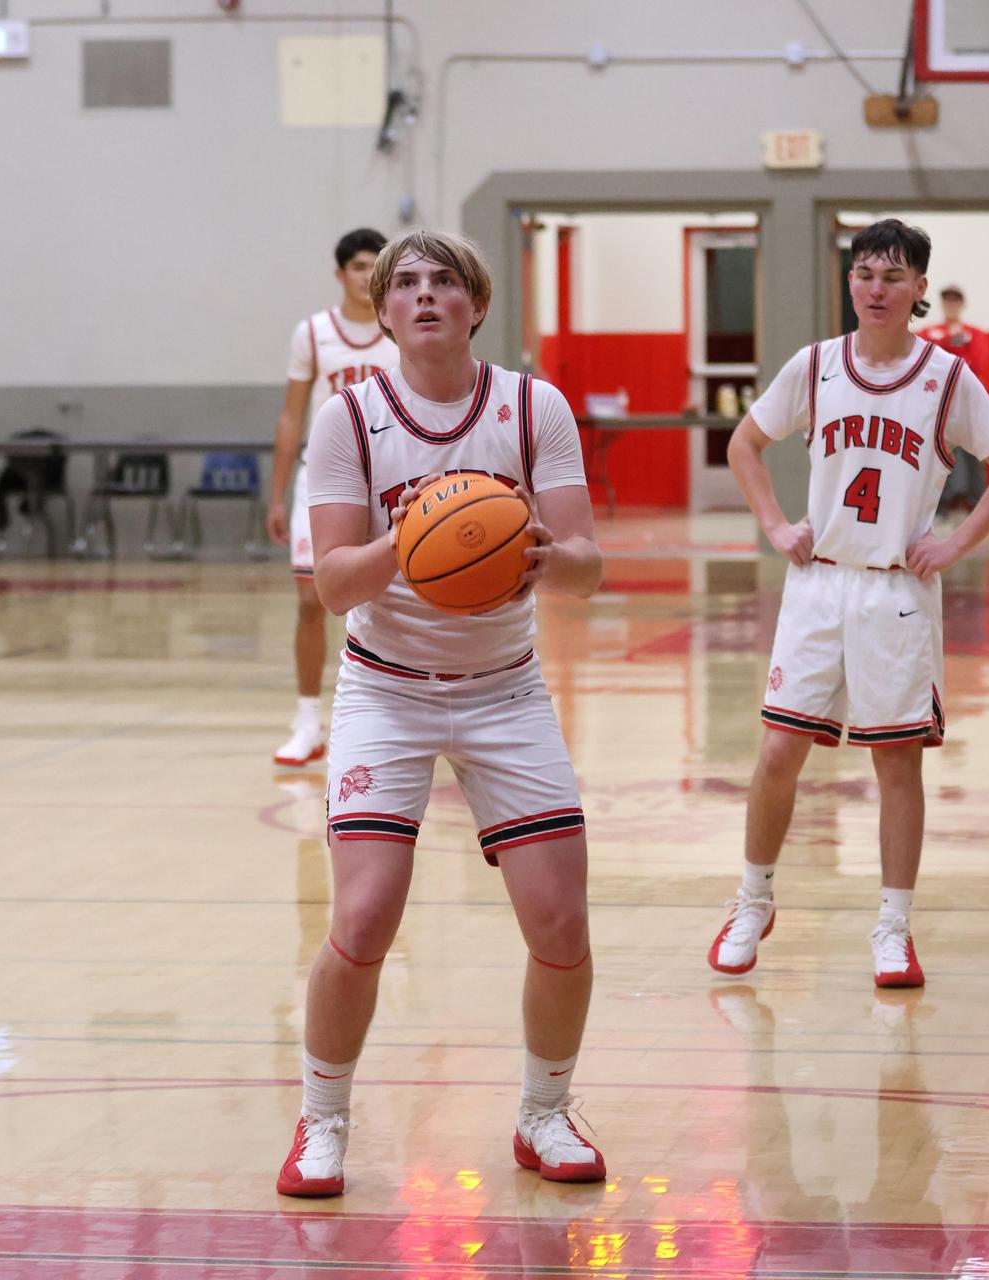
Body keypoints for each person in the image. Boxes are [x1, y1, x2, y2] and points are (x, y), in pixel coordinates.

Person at [277, 229, 606, 1198]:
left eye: (445, 281)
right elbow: (334, 585)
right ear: (383, 311)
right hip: (387, 689)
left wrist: (543, 551)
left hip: (506, 687)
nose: (425, 294)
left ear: (477, 304)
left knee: (561, 923)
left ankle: (545, 1112)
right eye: (406, 283)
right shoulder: (349, 417)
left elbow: (588, 566)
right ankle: (322, 1119)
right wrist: (416, 532)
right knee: (363, 915)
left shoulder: (533, 406)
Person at [708, 219, 989, 989]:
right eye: (864, 273)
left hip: (897, 591)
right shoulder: (816, 365)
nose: (875, 288)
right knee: (778, 753)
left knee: (895, 762)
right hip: (819, 583)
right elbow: (743, 444)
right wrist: (775, 525)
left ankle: (893, 928)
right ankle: (752, 901)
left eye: (892, 276)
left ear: (920, 288)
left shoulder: (947, 378)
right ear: (849, 282)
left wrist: (954, 546)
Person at [268, 228, 399, 767]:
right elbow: (291, 417)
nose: (367, 276)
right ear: (340, 273)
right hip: (323, 480)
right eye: (358, 267)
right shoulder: (313, 333)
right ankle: (307, 721)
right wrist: (277, 495)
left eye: (375, 266)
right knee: (311, 598)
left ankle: (394, 717)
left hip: (387, 476)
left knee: (391, 600)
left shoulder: (399, 328)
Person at [918, 285, 989, 515]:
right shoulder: (928, 333)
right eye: (947, 301)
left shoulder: (975, 334)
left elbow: (977, 363)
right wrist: (950, 342)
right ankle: (942, 501)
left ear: (962, 304)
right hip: (938, 403)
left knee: (973, 451)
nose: (951, 306)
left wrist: (954, 346)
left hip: (968, 403)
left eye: (955, 301)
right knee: (938, 452)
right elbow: (928, 363)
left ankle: (975, 500)